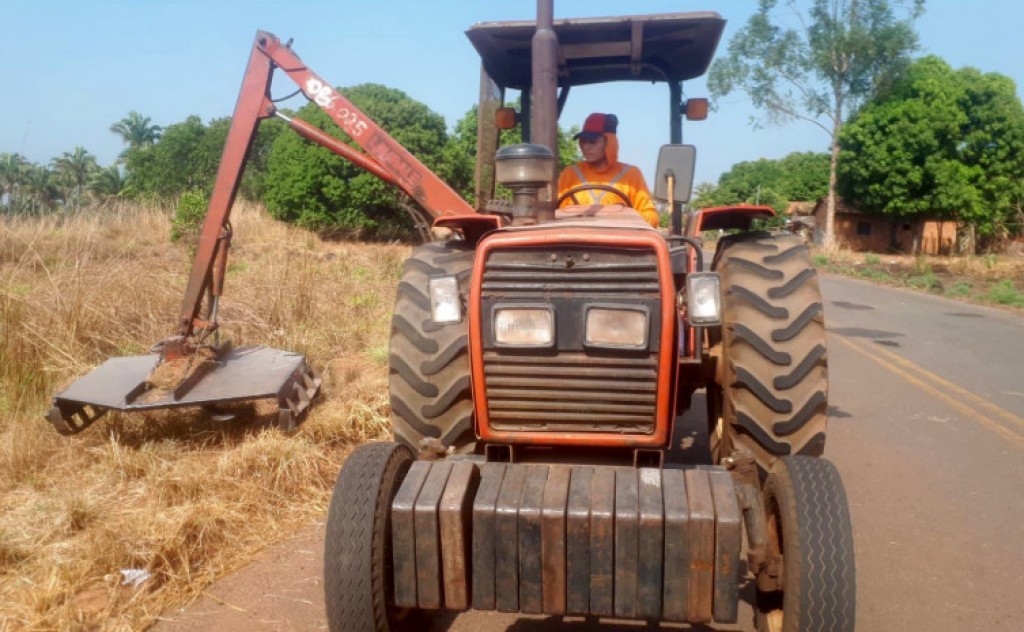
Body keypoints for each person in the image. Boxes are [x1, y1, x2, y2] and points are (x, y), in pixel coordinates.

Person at [557, 112, 659, 227]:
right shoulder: (570, 174)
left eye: (593, 141)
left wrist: (624, 218)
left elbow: (651, 217)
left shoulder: (632, 174)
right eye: (583, 141)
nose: (586, 147)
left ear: (609, 142)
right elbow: (554, 214)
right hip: (574, 241)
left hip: (618, 241)